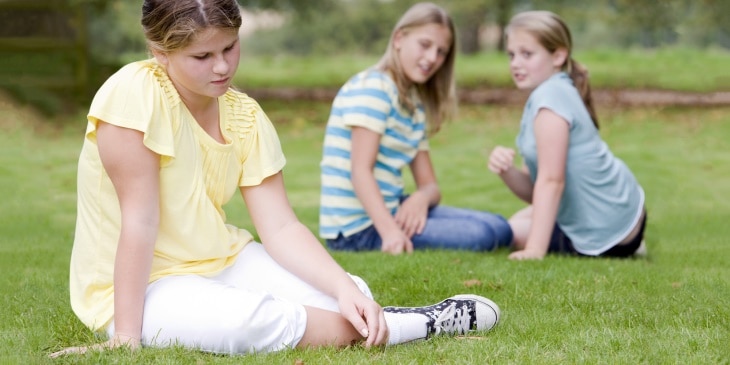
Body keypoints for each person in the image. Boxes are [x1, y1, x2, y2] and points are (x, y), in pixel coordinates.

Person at [49, 0, 502, 358]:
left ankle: (361, 316)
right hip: (141, 286)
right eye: (201, 56)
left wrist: (342, 287)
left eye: (229, 47)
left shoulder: (244, 114)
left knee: (352, 292)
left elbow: (281, 227)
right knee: (245, 325)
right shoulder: (134, 94)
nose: (222, 67)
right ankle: (419, 323)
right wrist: (126, 336)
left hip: (223, 260)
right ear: (159, 51)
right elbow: (140, 220)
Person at [319, 2, 513, 255]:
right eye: (425, 45)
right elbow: (360, 171)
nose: (432, 58)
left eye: (441, 52)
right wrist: (390, 233)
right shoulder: (374, 88)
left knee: (499, 226)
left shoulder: (412, 103)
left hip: (392, 209)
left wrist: (419, 199)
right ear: (399, 38)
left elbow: (431, 186)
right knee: (484, 235)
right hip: (358, 230)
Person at [487, 10, 647, 260]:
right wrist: (506, 170)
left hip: (609, 229)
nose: (515, 63)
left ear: (558, 55)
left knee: (510, 232)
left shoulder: (550, 98)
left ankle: (622, 243)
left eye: (526, 54)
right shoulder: (551, 92)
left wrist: (534, 249)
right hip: (626, 211)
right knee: (517, 220)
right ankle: (631, 240)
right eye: (511, 55)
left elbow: (552, 181)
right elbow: (535, 188)